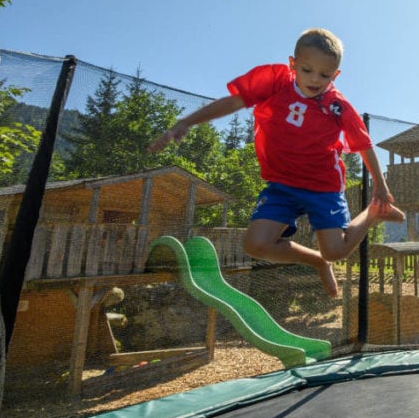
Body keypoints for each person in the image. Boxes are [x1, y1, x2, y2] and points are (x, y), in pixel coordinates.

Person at [149, 27, 404, 298]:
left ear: (336, 75)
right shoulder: (274, 82)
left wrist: (380, 185)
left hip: (322, 186)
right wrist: (186, 122)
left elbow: (364, 144)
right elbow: (234, 101)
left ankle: (373, 214)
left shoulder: (337, 106)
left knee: (336, 250)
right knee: (256, 244)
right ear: (292, 64)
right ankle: (316, 260)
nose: (315, 79)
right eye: (307, 70)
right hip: (282, 184)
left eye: (325, 75)